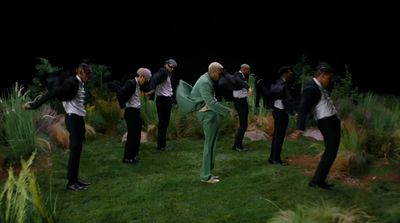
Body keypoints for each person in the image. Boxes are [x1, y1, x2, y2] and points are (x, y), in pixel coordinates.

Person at [23, 63, 92, 191]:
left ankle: (75, 179)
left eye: (89, 74)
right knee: (75, 150)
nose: (88, 77)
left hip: (79, 119)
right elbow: (53, 93)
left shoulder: (80, 83)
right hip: (72, 118)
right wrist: (34, 105)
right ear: (79, 72)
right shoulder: (72, 82)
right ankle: (71, 183)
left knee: (78, 150)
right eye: (86, 74)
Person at [289, 62, 340, 190]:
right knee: (330, 152)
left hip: (331, 122)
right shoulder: (311, 87)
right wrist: (300, 127)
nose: (329, 80)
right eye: (328, 77)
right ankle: (317, 181)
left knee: (331, 152)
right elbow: (303, 107)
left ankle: (319, 180)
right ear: (322, 75)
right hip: (327, 123)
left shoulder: (317, 86)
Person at [189, 62, 232, 183]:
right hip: (207, 115)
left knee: (212, 144)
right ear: (213, 71)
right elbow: (210, 102)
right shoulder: (205, 82)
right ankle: (205, 176)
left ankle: (209, 173)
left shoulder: (207, 78)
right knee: (209, 145)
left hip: (209, 114)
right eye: (219, 73)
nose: (221, 75)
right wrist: (228, 112)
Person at [119, 68, 152, 164]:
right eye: (145, 80)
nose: (145, 82)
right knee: (132, 135)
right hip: (131, 112)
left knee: (137, 134)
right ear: (141, 76)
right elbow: (120, 93)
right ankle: (127, 158)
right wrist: (123, 107)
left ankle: (134, 155)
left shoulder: (137, 85)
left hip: (136, 112)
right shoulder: (131, 83)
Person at [268, 66, 296, 165]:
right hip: (281, 112)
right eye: (289, 72)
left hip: (277, 111)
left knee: (277, 136)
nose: (291, 73)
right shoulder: (283, 84)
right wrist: (293, 112)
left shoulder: (277, 83)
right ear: (285, 73)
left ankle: (273, 158)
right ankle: (275, 159)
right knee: (279, 136)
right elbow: (288, 100)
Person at [148, 59, 177, 151]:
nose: (172, 69)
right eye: (170, 66)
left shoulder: (165, 73)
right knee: (164, 123)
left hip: (163, 100)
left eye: (173, 68)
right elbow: (155, 77)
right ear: (166, 64)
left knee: (163, 123)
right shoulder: (163, 72)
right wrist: (152, 89)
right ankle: (161, 146)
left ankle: (161, 145)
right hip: (163, 101)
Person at [232, 63, 252, 152]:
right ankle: (238, 146)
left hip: (241, 101)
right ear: (244, 69)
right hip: (240, 102)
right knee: (243, 125)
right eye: (248, 71)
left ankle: (236, 144)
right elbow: (240, 81)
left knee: (243, 124)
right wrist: (248, 88)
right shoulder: (238, 75)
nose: (249, 72)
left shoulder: (242, 75)